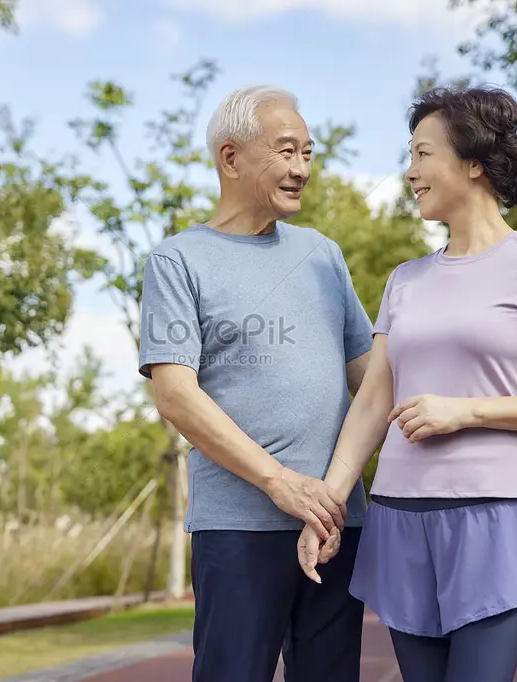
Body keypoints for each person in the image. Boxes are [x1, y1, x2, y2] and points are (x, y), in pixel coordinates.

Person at [297, 85, 517, 682]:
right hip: (401, 517)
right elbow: (372, 405)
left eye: (422, 154)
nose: (410, 173)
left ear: (474, 162)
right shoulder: (405, 280)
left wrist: (465, 412)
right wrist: (324, 508)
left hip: (495, 514)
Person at [138, 85, 375, 682]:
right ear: (230, 157)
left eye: (308, 153)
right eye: (286, 150)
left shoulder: (324, 254)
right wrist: (280, 483)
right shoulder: (178, 260)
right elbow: (175, 395)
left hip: (336, 523)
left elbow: (371, 380)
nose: (301, 169)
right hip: (238, 526)